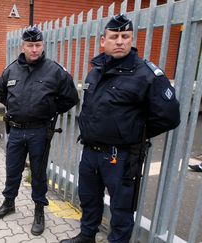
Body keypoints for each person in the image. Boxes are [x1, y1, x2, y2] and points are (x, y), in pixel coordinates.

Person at [60, 14, 180, 243]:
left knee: (121, 209)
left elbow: (169, 117)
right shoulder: (95, 70)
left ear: (132, 39)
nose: (120, 41)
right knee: (89, 198)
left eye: (125, 36)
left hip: (121, 156)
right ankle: (87, 236)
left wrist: (132, 131)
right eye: (114, 37)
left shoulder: (147, 75)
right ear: (103, 41)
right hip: (90, 151)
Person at [0, 27, 79, 236]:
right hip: (15, 130)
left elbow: (71, 98)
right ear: (22, 47)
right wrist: (19, 109)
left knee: (39, 174)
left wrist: (49, 109)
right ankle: (9, 203)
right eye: (30, 45)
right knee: (12, 170)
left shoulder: (55, 71)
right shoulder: (11, 70)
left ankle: (39, 210)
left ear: (43, 46)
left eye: (37, 45)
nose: (34, 49)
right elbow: (1, 94)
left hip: (39, 132)